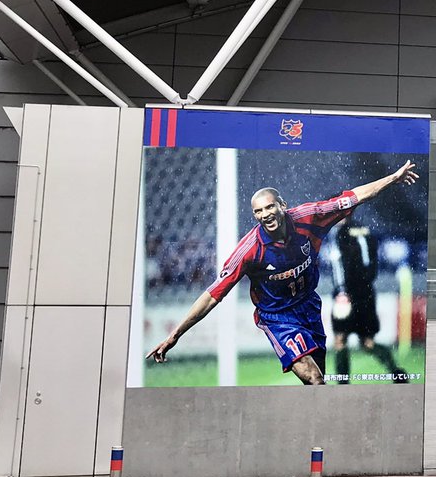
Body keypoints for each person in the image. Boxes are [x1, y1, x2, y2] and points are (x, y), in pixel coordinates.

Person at [146, 160, 419, 385]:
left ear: (282, 205)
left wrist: (392, 178)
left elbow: (353, 197)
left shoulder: (310, 217)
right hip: (278, 317)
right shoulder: (250, 250)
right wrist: (175, 335)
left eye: (269, 207)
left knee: (320, 379)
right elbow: (211, 296)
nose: (265, 214)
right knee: (313, 378)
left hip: (309, 307)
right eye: (258, 211)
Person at [326, 220, 408, 383]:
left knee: (340, 340)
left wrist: (342, 291)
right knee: (368, 343)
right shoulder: (365, 229)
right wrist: (366, 282)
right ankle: (397, 373)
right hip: (367, 292)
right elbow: (373, 261)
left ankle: (343, 383)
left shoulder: (337, 233)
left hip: (346, 293)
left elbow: (337, 263)